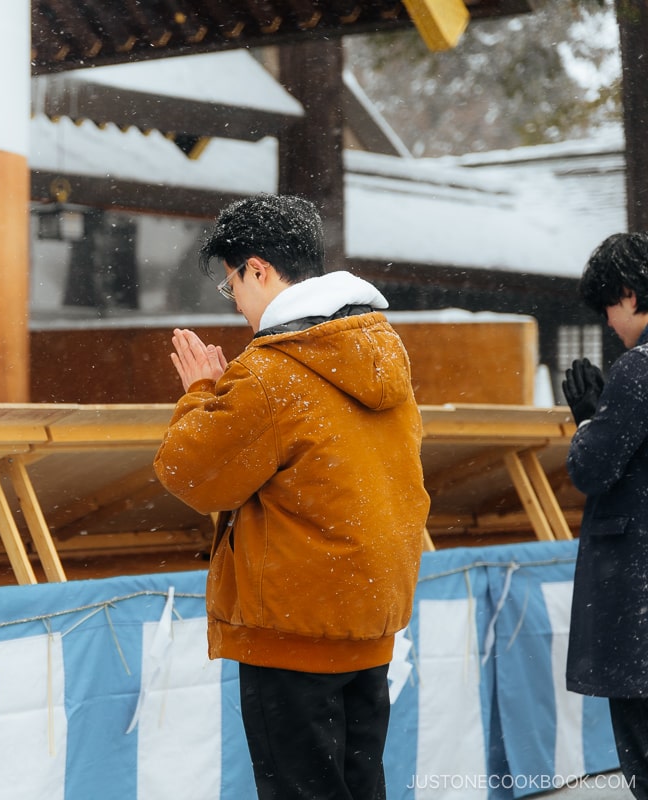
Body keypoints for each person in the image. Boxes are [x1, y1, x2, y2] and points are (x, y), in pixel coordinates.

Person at [153, 194, 430, 800]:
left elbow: (192, 473)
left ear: (257, 269)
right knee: (360, 785)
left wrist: (202, 390)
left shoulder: (276, 371)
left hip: (292, 627)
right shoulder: (380, 351)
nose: (240, 305)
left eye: (234, 286)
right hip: (367, 617)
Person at [562, 232, 648, 800]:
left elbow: (592, 470)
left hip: (638, 589)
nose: (610, 323)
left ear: (629, 292)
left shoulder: (637, 371)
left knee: (642, 747)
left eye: (609, 307)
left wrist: (590, 420)